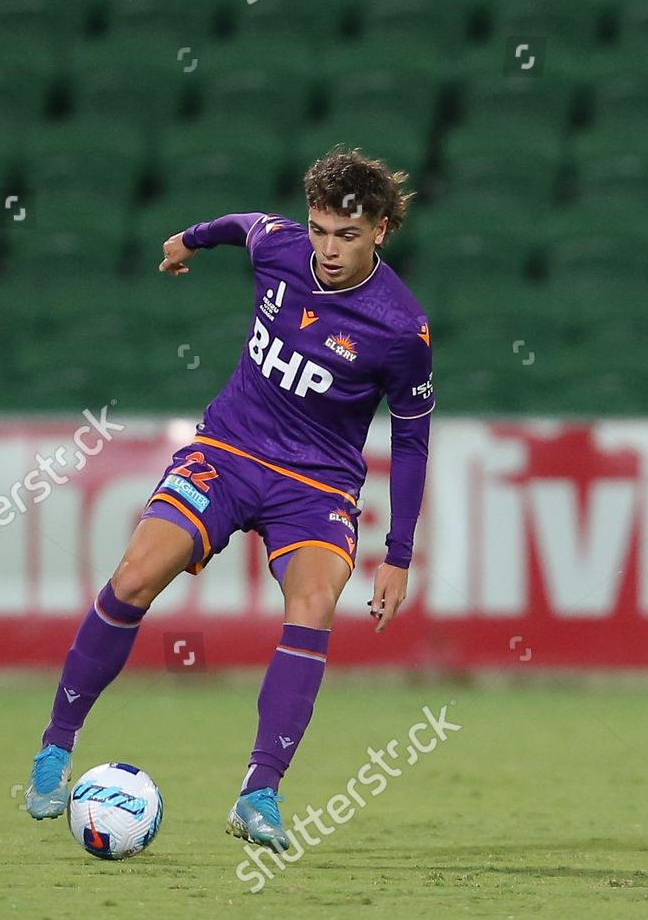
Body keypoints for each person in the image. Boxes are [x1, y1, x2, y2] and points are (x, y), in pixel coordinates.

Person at [22, 147, 435, 851]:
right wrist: (188, 240)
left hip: (317, 485)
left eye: (347, 235)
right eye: (319, 230)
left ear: (381, 231)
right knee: (135, 575)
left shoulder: (401, 328)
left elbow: (412, 441)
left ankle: (259, 791)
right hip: (227, 452)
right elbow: (242, 225)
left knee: (313, 604)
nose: (328, 250)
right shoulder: (280, 246)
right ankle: (56, 746)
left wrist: (398, 554)